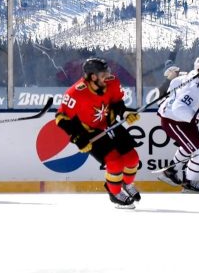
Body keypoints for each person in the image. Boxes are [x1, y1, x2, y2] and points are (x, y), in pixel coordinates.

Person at [55, 58, 141, 208]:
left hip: (110, 125)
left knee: (132, 158)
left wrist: (125, 112)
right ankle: (114, 193)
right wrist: (77, 138)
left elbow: (117, 103)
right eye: (103, 74)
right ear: (93, 76)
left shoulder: (112, 82)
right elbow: (61, 118)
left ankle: (127, 185)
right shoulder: (76, 92)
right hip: (90, 132)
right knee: (115, 163)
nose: (107, 75)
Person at [156, 56, 199, 192]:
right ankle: (188, 183)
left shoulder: (194, 77)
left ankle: (170, 171)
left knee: (192, 146)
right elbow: (178, 107)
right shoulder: (195, 87)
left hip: (180, 120)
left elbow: (176, 83)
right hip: (174, 121)